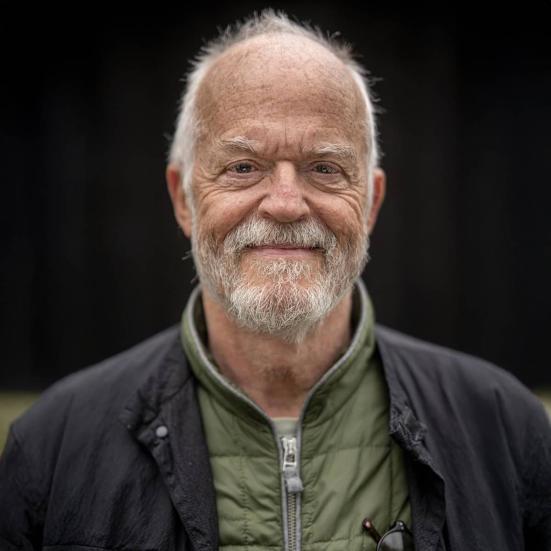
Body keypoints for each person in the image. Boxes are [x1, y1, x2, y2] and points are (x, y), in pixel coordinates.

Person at [1, 10, 550, 551]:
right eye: (243, 166)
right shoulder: (53, 449)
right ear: (183, 199)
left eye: (325, 168)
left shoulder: (505, 431)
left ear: (371, 203)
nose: (285, 204)